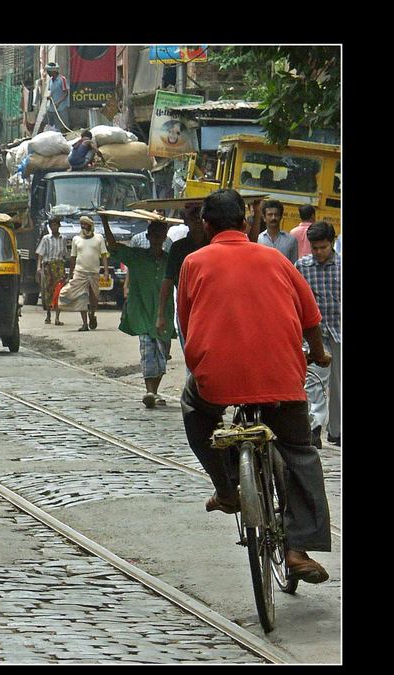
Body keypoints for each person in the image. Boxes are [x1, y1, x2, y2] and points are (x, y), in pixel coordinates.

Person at [177, 189, 332, 583]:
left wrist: (202, 363)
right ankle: (298, 549)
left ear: (206, 226)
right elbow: (310, 317)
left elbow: (186, 323)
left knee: (194, 411)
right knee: (299, 450)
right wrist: (319, 353)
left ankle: (227, 489)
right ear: (247, 224)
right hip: (282, 376)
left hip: (217, 380)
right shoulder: (276, 259)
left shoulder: (193, 262)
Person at [101, 213, 176, 408]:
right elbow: (114, 247)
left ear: (165, 237)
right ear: (149, 236)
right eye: (154, 234)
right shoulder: (137, 256)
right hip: (142, 311)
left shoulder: (171, 260)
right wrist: (105, 221)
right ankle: (149, 391)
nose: (157, 239)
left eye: (161, 235)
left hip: (164, 312)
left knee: (162, 352)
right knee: (147, 350)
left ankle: (155, 390)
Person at [296, 221, 341, 448]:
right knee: (315, 381)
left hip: (339, 330)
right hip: (314, 333)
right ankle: (314, 426)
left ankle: (336, 430)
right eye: (315, 248)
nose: (318, 252)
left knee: (338, 383)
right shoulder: (302, 267)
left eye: (322, 247)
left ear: (331, 243)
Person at [155, 202, 209, 371]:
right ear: (186, 221)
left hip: (212, 306)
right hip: (187, 308)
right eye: (193, 218)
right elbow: (168, 280)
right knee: (191, 352)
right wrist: (161, 314)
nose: (197, 221)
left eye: (200, 217)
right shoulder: (179, 248)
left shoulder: (214, 244)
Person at [57, 216, 109, 331]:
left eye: (86, 224)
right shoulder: (76, 239)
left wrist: (106, 270)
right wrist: (70, 274)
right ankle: (84, 323)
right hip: (80, 272)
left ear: (91, 226)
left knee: (94, 297)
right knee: (82, 298)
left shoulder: (99, 238)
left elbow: (104, 255)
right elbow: (73, 257)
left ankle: (92, 314)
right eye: (82, 224)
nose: (84, 226)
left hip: (94, 272)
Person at [35, 215, 69, 326]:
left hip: (59, 266)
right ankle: (48, 314)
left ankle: (57, 317)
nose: (53, 227)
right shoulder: (46, 239)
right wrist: (38, 267)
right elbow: (40, 253)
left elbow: (65, 254)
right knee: (48, 290)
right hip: (48, 266)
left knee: (59, 291)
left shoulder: (63, 239)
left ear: (59, 226)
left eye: (55, 225)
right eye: (51, 225)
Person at [44, 62, 70, 131]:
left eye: (48, 71)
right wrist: (49, 96)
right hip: (52, 108)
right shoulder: (50, 81)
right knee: (51, 126)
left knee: (62, 127)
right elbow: (50, 91)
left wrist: (58, 102)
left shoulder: (62, 79)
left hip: (61, 108)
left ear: (53, 71)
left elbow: (65, 93)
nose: (48, 73)